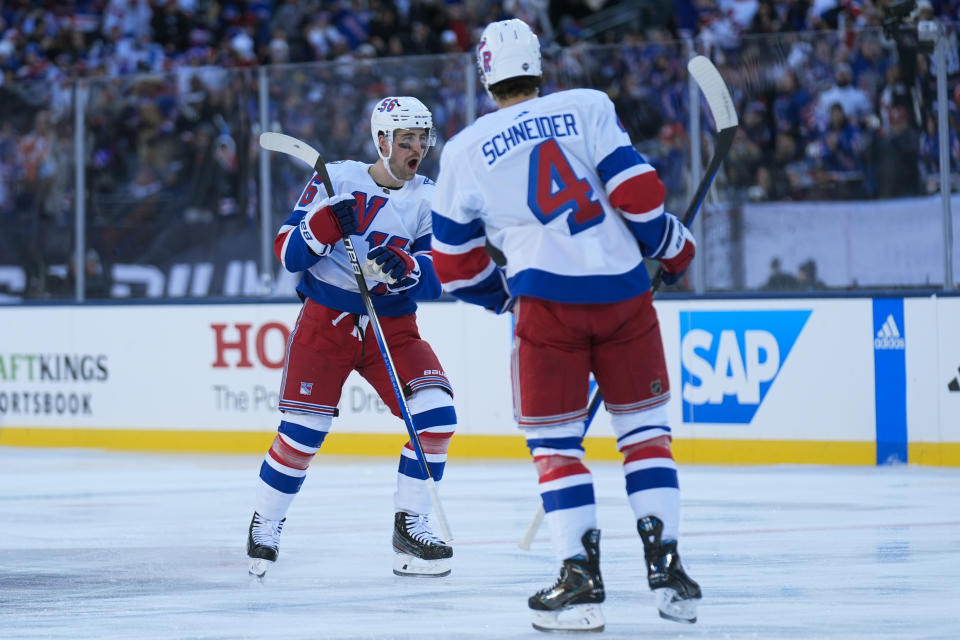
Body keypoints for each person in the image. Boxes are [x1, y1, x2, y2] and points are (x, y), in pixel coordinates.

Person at [430, 19, 701, 633]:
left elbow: (451, 261)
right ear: (539, 65)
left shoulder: (466, 149)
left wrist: (501, 300)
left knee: (556, 445)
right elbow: (636, 193)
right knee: (645, 436)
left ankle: (580, 581)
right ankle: (668, 570)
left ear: (485, 76)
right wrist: (670, 243)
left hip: (546, 307)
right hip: (626, 297)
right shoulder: (587, 106)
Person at [247, 96, 457, 579]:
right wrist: (320, 227)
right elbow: (287, 253)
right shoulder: (336, 180)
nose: (416, 149)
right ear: (381, 141)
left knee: (436, 418)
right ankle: (266, 522)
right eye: (406, 140)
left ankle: (412, 524)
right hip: (328, 322)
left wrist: (409, 269)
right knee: (303, 434)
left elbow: (442, 270)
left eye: (422, 140)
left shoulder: (428, 196)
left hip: (394, 325)